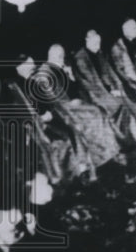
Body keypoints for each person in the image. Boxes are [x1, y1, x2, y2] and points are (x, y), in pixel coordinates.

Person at [32, 44, 121, 172]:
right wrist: (73, 103)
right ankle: (101, 156)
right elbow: (57, 100)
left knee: (99, 111)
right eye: (60, 57)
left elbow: (73, 89)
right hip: (63, 111)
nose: (63, 59)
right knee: (95, 115)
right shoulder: (45, 73)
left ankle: (107, 152)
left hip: (72, 105)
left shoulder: (57, 68)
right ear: (55, 56)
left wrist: (70, 76)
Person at [7, 54, 91, 185]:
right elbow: (27, 111)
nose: (33, 67)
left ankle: (82, 167)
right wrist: (42, 116)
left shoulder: (33, 80)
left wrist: (50, 112)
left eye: (32, 64)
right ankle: (75, 172)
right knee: (66, 136)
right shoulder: (18, 88)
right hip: (38, 126)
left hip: (50, 118)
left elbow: (49, 101)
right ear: (19, 69)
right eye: (29, 65)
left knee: (73, 127)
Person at [74, 29, 136, 155]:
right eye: (95, 42)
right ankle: (131, 147)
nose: (98, 45)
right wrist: (111, 92)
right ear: (87, 40)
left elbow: (111, 74)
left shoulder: (98, 53)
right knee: (121, 107)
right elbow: (91, 84)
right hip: (95, 96)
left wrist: (119, 88)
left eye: (99, 42)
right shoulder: (80, 58)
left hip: (110, 92)